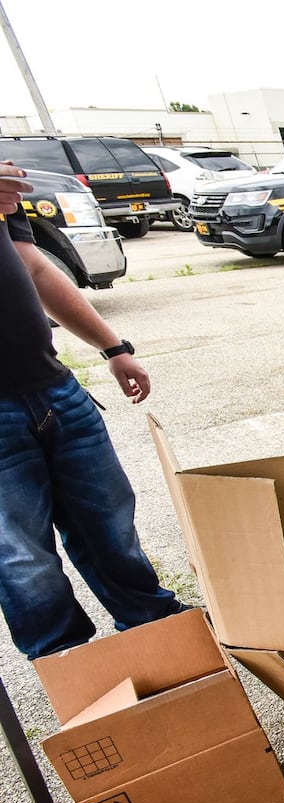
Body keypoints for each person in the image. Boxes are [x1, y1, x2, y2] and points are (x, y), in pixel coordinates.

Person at [0, 163, 181, 659]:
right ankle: (71, 669)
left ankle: (161, 640)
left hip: (53, 389)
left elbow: (31, 265)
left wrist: (112, 346)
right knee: (23, 561)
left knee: (109, 527)